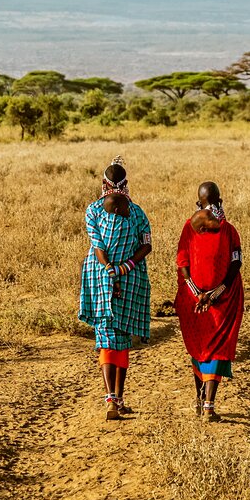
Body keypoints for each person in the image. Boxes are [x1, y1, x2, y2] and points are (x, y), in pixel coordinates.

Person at [78, 157, 152, 420]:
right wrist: (125, 267)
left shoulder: (93, 211)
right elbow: (147, 246)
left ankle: (112, 399)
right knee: (122, 340)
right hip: (130, 278)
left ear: (103, 184)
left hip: (100, 277)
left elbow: (98, 246)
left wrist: (110, 269)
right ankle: (118, 398)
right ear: (126, 184)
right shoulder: (138, 213)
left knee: (106, 338)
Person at [175, 181, 243, 421]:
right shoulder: (229, 230)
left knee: (200, 347)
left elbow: (182, 263)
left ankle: (199, 400)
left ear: (198, 203)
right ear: (220, 201)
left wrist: (197, 293)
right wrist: (216, 292)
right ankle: (208, 407)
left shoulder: (188, 228)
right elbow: (236, 263)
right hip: (223, 299)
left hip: (192, 300)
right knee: (216, 348)